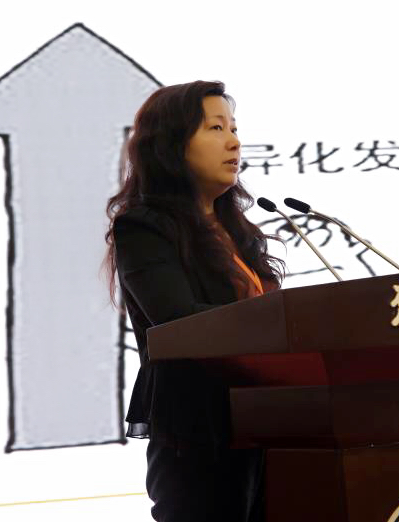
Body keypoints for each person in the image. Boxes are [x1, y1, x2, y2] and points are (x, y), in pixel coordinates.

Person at [102, 80, 286, 522]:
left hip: (270, 427)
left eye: (234, 128)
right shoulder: (144, 227)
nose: (234, 141)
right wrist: (278, 327)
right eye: (216, 128)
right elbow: (179, 320)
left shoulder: (239, 233)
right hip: (200, 434)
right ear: (172, 144)